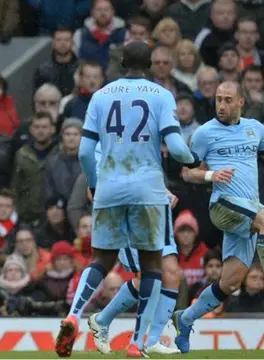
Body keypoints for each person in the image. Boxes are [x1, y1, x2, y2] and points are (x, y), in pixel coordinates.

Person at [56, 41, 197, 358]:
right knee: (151, 266)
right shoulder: (161, 95)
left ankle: (73, 316)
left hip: (109, 187)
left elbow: (83, 152)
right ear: (149, 63)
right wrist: (192, 160)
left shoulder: (100, 96)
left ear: (120, 62)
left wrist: (95, 185)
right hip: (147, 188)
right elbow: (175, 147)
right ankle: (135, 343)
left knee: (100, 260)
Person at [175, 81, 264, 354]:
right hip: (223, 206)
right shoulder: (204, 133)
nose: (221, 105)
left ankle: (185, 318)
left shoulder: (255, 129)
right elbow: (187, 173)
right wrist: (211, 175)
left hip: (248, 211)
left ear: (240, 102)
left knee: (231, 282)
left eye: (227, 100)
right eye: (218, 100)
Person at [87, 144, 181, 355]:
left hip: (155, 215)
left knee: (172, 274)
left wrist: (165, 193)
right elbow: (94, 189)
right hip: (128, 217)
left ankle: (154, 339)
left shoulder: (143, 134)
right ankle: (102, 320)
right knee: (145, 277)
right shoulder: (104, 141)